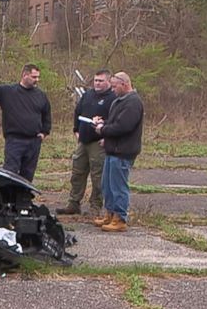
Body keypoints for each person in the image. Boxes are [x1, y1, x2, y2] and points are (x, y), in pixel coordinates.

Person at [57, 70, 117, 216]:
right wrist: (76, 130)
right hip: (83, 141)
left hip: (99, 142)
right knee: (77, 173)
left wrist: (107, 136)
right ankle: (73, 203)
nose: (97, 83)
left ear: (109, 82)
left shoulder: (113, 98)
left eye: (101, 81)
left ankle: (95, 207)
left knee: (98, 176)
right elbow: (78, 112)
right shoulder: (88, 95)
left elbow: (117, 121)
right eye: (95, 80)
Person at [93, 72, 144, 232]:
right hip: (112, 150)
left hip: (123, 151)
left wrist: (103, 130)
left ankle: (120, 218)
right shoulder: (119, 101)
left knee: (118, 186)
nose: (113, 90)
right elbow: (114, 122)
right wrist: (103, 123)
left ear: (124, 84)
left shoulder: (133, 102)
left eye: (115, 86)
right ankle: (109, 213)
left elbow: (123, 126)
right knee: (107, 185)